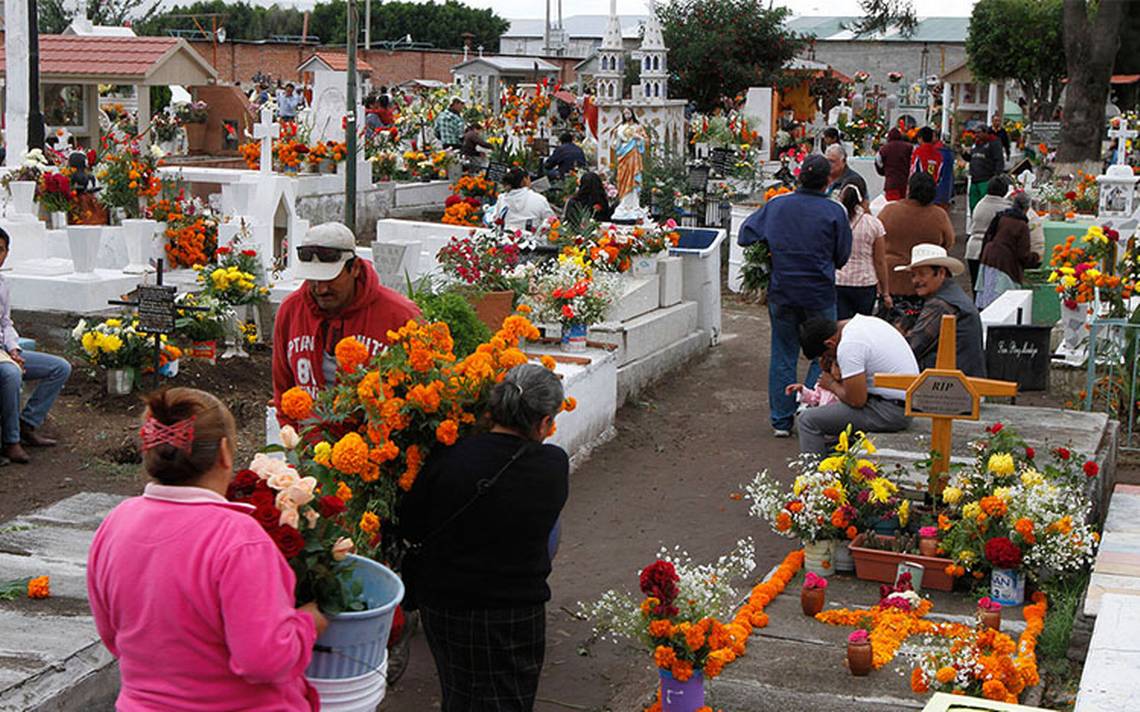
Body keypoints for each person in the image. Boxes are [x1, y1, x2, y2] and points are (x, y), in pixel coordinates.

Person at [87, 388, 327, 710]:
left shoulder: (115, 524)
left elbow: (113, 635)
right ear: (225, 453)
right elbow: (263, 660)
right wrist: (306, 624)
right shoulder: (238, 539)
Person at [398, 364, 569, 712]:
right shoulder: (551, 466)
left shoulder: (449, 456)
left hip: (444, 605)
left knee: (458, 694)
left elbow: (410, 525)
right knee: (508, 699)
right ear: (543, 423)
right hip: (512, 611)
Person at [738, 154, 852, 438]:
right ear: (828, 181)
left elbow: (745, 235)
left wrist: (772, 246)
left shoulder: (778, 205)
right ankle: (810, 408)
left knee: (783, 353)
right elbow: (842, 256)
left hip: (783, 291)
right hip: (819, 293)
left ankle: (781, 419)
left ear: (799, 177)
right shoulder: (835, 211)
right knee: (823, 353)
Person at [272, 222, 420, 418]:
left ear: (355, 268)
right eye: (313, 279)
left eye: (329, 279)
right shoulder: (291, 310)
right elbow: (282, 387)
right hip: (308, 435)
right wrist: (289, 431)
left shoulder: (400, 316)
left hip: (374, 435)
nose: (321, 289)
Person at [796, 315, 919, 454]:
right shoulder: (863, 323)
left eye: (826, 355)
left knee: (807, 420)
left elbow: (856, 400)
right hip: (903, 403)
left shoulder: (849, 345)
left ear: (830, 344)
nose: (829, 359)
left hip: (891, 411)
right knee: (828, 418)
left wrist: (831, 384)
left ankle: (815, 468)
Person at [0, 229, 70, 465]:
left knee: (59, 367)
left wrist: (14, 350)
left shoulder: (3, 283)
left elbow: (5, 323)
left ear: (7, 253)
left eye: (0, 250)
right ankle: (10, 441)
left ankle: (27, 424)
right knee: (11, 374)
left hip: (4, 351)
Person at [894, 244, 986, 377]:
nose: (916, 280)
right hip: (962, 378)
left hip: (953, 383)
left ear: (941, 273)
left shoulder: (941, 304)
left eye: (922, 274)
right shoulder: (952, 295)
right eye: (913, 275)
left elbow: (911, 348)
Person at [878, 171, 955, 308]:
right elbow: (949, 243)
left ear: (909, 189)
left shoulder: (889, 211)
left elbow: (876, 239)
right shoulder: (939, 215)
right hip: (925, 281)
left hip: (891, 280)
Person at [975, 192, 1041, 311]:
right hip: (1003, 264)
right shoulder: (1021, 225)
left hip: (988, 259)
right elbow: (1023, 254)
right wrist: (1035, 258)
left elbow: (988, 237)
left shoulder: (1001, 216)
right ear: (1027, 208)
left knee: (987, 299)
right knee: (1000, 304)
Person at [834, 184, 891, 320]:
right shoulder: (874, 224)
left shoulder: (835, 222)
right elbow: (879, 261)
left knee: (841, 324)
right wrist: (885, 293)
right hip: (865, 283)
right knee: (863, 323)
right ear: (863, 200)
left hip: (839, 281)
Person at [965, 175, 1012, 286]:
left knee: (976, 287)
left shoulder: (980, 204)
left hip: (973, 250)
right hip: (991, 254)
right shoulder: (1005, 208)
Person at [487, 167, 555, 232]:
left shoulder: (502, 199)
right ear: (525, 180)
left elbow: (494, 219)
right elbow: (552, 221)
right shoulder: (539, 199)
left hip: (504, 237)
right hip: (531, 238)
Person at [611, 108, 649, 218]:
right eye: (624, 113)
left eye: (628, 113)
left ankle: (634, 205)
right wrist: (615, 137)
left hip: (633, 154)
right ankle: (624, 204)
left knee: (634, 177)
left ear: (632, 113)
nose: (627, 115)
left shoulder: (638, 127)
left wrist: (639, 138)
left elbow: (646, 141)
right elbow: (615, 145)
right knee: (622, 178)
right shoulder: (620, 128)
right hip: (623, 155)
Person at [965, 128, 1005, 212]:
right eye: (975, 133)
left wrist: (997, 176)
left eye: (979, 133)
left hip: (986, 180)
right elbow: (971, 158)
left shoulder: (993, 144)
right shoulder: (976, 145)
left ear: (986, 133)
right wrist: (963, 153)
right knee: (973, 205)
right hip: (974, 180)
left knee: (984, 206)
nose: (976, 135)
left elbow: (999, 161)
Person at [875, 128, 913, 201]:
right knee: (904, 204)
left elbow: (878, 161)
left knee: (892, 204)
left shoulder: (884, 149)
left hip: (891, 183)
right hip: (905, 182)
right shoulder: (909, 147)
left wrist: (883, 172)